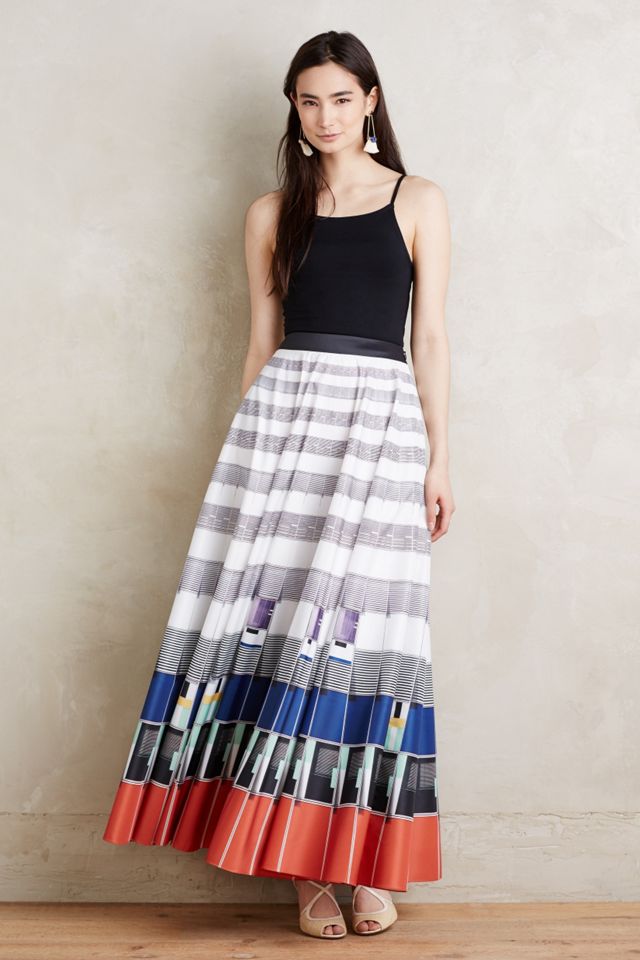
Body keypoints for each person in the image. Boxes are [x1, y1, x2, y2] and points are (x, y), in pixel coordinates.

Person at [102, 29, 454, 940]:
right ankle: (305, 872)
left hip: (379, 429)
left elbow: (429, 338)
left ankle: (365, 861)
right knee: (280, 627)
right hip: (284, 426)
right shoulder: (271, 212)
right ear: (293, 110)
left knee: (365, 635)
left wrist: (439, 458)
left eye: (341, 98)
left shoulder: (418, 200)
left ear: (371, 101)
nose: (326, 116)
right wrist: (246, 463)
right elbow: (261, 343)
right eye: (309, 101)